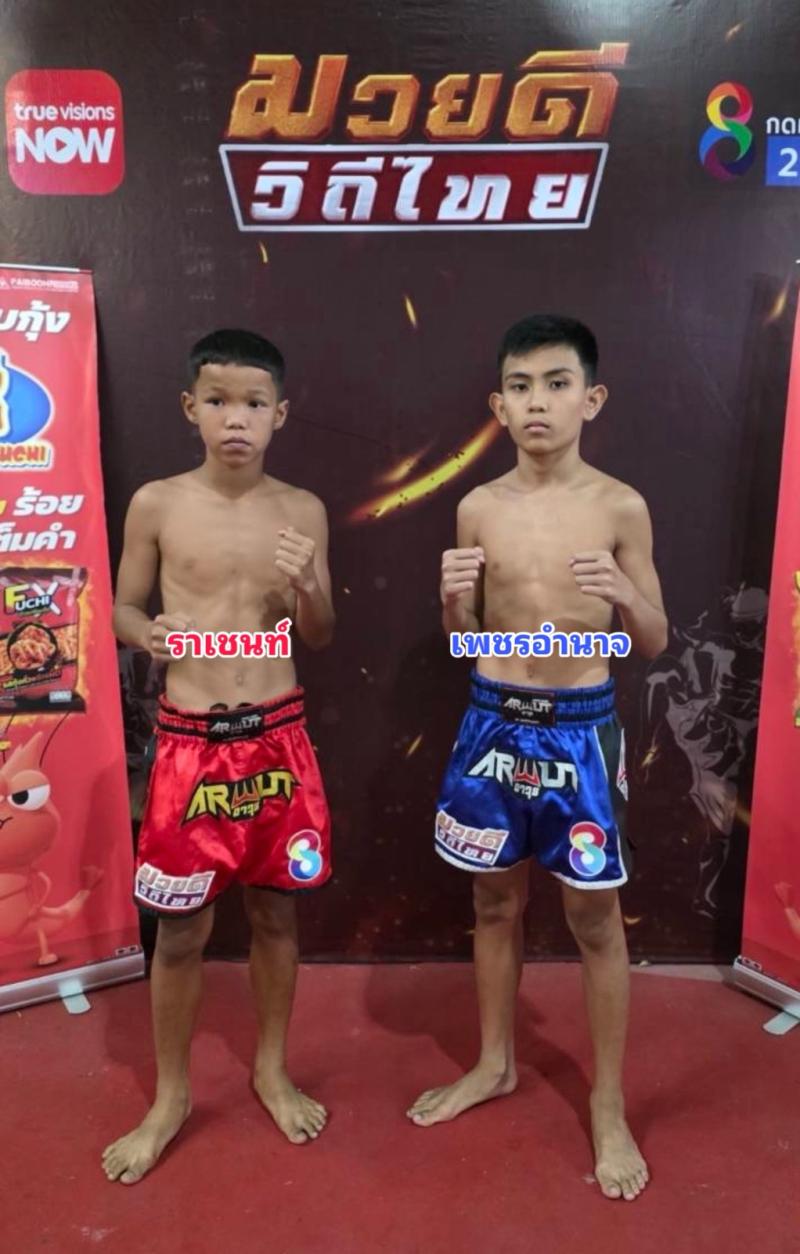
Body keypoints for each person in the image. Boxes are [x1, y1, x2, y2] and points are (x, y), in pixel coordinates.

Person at [408, 315, 668, 1203]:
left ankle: (607, 1103)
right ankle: (495, 1063)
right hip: (492, 724)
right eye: (520, 387)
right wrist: (453, 609)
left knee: (595, 918)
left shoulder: (621, 505)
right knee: (493, 902)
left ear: (591, 399)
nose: (538, 403)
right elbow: (466, 639)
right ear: (498, 404)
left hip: (579, 730)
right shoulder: (477, 506)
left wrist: (626, 594)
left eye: (557, 384)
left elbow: (655, 641)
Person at [103, 329, 334, 1185]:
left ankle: (271, 1069)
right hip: (190, 741)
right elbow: (122, 609)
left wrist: (307, 585)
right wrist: (147, 634)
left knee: (276, 917)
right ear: (190, 407)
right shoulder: (157, 503)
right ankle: (169, 1098)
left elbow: (320, 632)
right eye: (218, 401)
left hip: (277, 735)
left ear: (280, 414)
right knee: (180, 931)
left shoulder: (303, 509)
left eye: (253, 404)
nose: (236, 419)